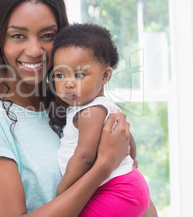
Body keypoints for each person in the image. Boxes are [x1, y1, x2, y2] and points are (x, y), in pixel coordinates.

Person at [0, 0, 132, 216]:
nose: (34, 50)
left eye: (48, 36)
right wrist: (103, 166)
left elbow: (127, 181)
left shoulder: (76, 99)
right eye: (18, 35)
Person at [50, 23, 151, 216]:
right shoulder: (101, 106)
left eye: (79, 75)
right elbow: (127, 137)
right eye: (60, 75)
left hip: (115, 191)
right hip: (126, 184)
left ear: (105, 76)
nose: (68, 83)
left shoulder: (91, 112)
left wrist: (63, 191)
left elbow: (84, 157)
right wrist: (133, 160)